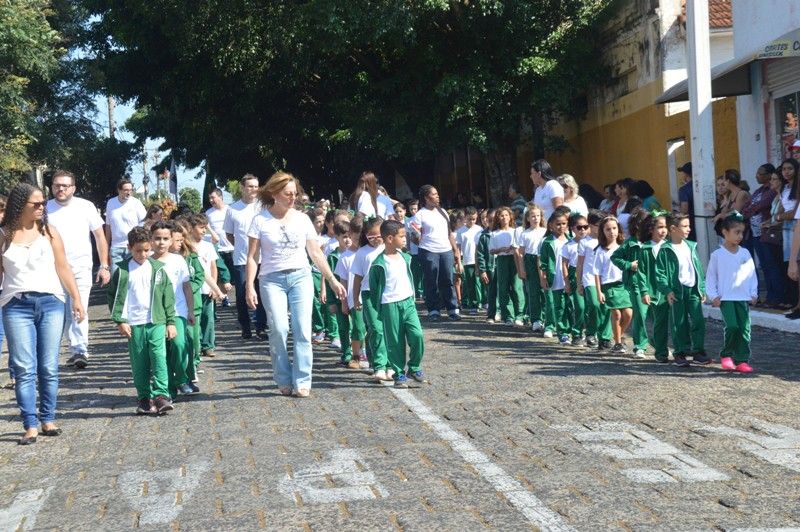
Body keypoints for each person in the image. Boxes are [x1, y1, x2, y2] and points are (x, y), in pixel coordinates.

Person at [245, 171, 346, 398]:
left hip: (301, 276)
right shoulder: (260, 220)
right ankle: (283, 378)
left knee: (302, 329)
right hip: (271, 280)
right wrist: (249, 285)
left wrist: (331, 280)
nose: (293, 198)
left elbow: (315, 252)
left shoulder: (302, 219)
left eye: (294, 193)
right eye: (288, 194)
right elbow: (252, 257)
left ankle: (302, 380)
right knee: (279, 328)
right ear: (274, 193)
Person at [1, 183, 85, 445]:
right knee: (24, 368)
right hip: (16, 305)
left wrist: (76, 298)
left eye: (43, 203)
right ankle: (30, 424)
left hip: (51, 303)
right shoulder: (3, 235)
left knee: (48, 366)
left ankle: (48, 418)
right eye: (36, 204)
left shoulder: (49, 232)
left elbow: (63, 267)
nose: (41, 208)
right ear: (20, 205)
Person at [108, 226, 177, 415]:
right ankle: (144, 397)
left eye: (147, 250)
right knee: (139, 362)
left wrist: (170, 322)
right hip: (134, 324)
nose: (143, 254)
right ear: (130, 248)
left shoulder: (158, 269)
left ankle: (161, 395)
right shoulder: (122, 271)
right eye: (138, 251)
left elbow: (168, 297)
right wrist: (120, 320)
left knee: (159, 358)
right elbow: (114, 297)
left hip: (156, 321)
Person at [46, 170, 111, 370]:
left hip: (81, 266)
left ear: (73, 188)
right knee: (60, 310)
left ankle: (80, 349)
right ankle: (64, 347)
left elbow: (99, 237)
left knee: (79, 306)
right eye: (57, 185)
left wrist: (104, 265)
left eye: (65, 186)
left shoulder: (86, 206)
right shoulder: (45, 208)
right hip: (52, 267)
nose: (61, 189)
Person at [369, 220, 425, 388]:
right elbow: (374, 289)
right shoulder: (378, 263)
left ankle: (414, 367)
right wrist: (380, 308)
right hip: (389, 305)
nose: (405, 239)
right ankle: (399, 373)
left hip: (408, 303)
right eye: (402, 236)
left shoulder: (405, 257)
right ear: (389, 238)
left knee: (417, 334)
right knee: (395, 342)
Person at [149, 221, 197, 397]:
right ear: (151, 239)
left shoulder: (178, 260)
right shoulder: (147, 262)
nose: (161, 242)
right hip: (156, 313)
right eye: (157, 238)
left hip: (178, 310)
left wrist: (190, 310)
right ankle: (168, 388)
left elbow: (186, 287)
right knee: (162, 352)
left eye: (165, 239)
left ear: (171, 240)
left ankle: (182, 378)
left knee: (179, 344)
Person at [707, 212, 758, 374]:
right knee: (732, 326)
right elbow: (711, 277)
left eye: (742, 232)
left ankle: (742, 360)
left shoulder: (745, 253)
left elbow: (751, 274)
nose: (740, 236)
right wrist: (713, 295)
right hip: (726, 298)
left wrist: (753, 292)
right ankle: (726, 354)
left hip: (742, 297)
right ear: (725, 232)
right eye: (737, 232)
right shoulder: (717, 255)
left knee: (744, 328)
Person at [656, 213, 708, 367]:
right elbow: (660, 273)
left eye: (688, 225)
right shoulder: (665, 250)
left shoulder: (691, 246)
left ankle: (698, 351)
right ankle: (680, 352)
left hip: (693, 289)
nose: (689, 229)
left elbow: (698, 268)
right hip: (676, 291)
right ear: (673, 229)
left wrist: (701, 288)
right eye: (685, 226)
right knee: (679, 322)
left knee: (698, 320)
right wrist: (667, 290)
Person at [224, 174, 267, 339]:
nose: (253, 189)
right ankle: (245, 326)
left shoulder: (263, 207)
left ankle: (261, 327)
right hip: (241, 259)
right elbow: (229, 234)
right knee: (242, 295)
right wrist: (241, 247)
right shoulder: (232, 209)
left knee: (261, 293)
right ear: (242, 188)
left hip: (262, 258)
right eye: (250, 186)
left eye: (256, 186)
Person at [410, 185, 462, 321]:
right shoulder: (420, 215)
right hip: (429, 251)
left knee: (448, 279)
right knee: (431, 280)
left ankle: (452, 309)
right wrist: (420, 241)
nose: (437, 196)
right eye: (434, 194)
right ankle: (433, 310)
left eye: (437, 194)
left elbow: (449, 233)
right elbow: (414, 236)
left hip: (446, 250)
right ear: (427, 198)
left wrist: (455, 251)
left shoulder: (443, 212)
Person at [351, 217, 390, 380]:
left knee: (387, 329)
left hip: (388, 293)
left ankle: (387, 364)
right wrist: (355, 298)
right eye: (370, 237)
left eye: (378, 236)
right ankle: (379, 365)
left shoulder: (389, 248)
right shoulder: (362, 252)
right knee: (376, 327)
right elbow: (357, 278)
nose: (374, 240)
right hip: (368, 294)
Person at [611, 210, 649, 358]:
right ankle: (640, 346)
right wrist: (629, 265)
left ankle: (659, 345)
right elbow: (615, 257)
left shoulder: (652, 242)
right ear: (638, 225)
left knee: (658, 317)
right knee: (640, 315)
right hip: (635, 283)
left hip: (653, 284)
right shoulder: (630, 243)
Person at [634, 211, 670, 363]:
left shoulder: (670, 246)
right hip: (655, 291)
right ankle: (661, 352)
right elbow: (641, 272)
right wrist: (644, 291)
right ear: (651, 229)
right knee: (659, 322)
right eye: (660, 227)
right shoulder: (645, 248)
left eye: (665, 227)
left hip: (671, 290)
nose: (663, 230)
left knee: (671, 322)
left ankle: (678, 349)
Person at [593, 216, 631, 354]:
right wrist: (599, 292)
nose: (612, 232)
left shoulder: (624, 247)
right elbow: (597, 273)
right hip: (609, 286)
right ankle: (618, 343)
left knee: (628, 313)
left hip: (623, 285)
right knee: (616, 314)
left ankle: (618, 335)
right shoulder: (600, 250)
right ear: (602, 232)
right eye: (608, 229)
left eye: (614, 228)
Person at [742, 164, 778, 307]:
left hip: (767, 232)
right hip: (755, 233)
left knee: (771, 265)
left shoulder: (771, 191)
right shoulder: (759, 190)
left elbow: (761, 205)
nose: (757, 176)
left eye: (760, 173)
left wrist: (751, 209)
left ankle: (775, 297)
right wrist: (750, 209)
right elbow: (747, 206)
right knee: (764, 264)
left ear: (769, 175)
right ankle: (769, 296)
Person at [576, 210, 606, 348]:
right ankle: (591, 333)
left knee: (605, 307)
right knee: (594, 304)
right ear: (591, 225)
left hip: (605, 278)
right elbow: (580, 264)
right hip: (589, 278)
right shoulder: (584, 242)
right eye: (599, 225)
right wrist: (579, 283)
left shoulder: (606, 240)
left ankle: (604, 336)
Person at [490, 207, 524, 326]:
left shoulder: (515, 231)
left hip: (514, 259)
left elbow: (520, 246)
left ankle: (520, 314)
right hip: (502, 260)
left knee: (516, 287)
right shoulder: (494, 233)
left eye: (506, 215)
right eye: (501, 215)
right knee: (503, 287)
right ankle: (508, 316)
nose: (504, 218)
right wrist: (501, 249)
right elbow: (491, 250)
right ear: (498, 218)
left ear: (510, 217)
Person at [539, 209, 570, 340]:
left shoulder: (571, 240)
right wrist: (543, 276)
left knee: (569, 305)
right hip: (554, 277)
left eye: (564, 223)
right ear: (551, 225)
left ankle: (570, 329)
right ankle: (556, 329)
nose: (561, 226)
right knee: (554, 304)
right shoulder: (547, 242)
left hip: (568, 277)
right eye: (558, 224)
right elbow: (543, 261)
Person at [105, 178, 146, 275]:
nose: (129, 193)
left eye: (131, 190)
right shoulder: (111, 203)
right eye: (126, 190)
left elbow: (144, 223)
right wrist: (106, 246)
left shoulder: (136, 203)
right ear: (119, 190)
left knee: (132, 276)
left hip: (133, 246)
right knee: (117, 277)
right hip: (116, 247)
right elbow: (108, 226)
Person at [517, 204, 546, 332]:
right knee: (533, 291)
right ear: (528, 218)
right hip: (530, 260)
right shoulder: (525, 233)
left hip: (543, 261)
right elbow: (521, 253)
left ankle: (546, 318)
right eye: (533, 216)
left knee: (545, 290)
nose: (536, 218)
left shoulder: (545, 231)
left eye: (538, 216)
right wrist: (522, 269)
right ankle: (536, 319)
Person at [562, 213, 590, 346]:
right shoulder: (569, 245)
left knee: (591, 306)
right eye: (579, 227)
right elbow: (564, 264)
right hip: (575, 275)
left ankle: (590, 333)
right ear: (573, 229)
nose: (582, 230)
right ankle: (577, 333)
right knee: (580, 306)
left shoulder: (592, 243)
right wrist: (567, 282)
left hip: (589, 274)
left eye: (585, 227)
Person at [206, 188, 234, 305]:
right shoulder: (209, 213)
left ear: (221, 197)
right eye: (210, 198)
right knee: (221, 274)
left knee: (234, 274)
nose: (211, 200)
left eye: (213, 197)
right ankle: (224, 298)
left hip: (232, 247)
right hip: (217, 247)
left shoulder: (230, 210)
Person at [458, 206, 483, 315]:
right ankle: (473, 304)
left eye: (474, 219)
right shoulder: (461, 231)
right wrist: (459, 262)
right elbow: (458, 248)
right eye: (469, 219)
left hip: (479, 260)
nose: (472, 221)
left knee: (480, 283)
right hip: (467, 261)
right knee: (470, 284)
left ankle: (482, 301)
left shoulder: (479, 229)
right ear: (465, 218)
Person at [476, 209, 498, 322]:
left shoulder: (502, 233)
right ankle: (491, 314)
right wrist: (482, 270)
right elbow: (480, 255)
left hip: (501, 267)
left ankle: (505, 313)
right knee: (491, 292)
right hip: (490, 269)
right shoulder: (483, 236)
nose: (492, 223)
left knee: (504, 291)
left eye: (495, 220)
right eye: (490, 220)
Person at [677, 162, 696, 241]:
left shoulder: (684, 189)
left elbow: (684, 209)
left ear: (686, 174)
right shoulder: (701, 186)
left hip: (690, 222)